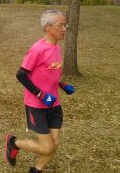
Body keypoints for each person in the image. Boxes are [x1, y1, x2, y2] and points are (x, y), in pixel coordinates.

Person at [5, 10, 75, 173]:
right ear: (47, 27)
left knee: (54, 143)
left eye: (65, 25)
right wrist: (41, 95)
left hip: (54, 103)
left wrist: (62, 85)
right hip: (36, 105)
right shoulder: (37, 49)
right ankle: (13, 143)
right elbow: (21, 75)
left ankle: (36, 170)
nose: (64, 29)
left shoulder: (57, 47)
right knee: (46, 147)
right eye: (60, 25)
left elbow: (49, 74)